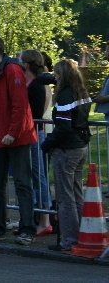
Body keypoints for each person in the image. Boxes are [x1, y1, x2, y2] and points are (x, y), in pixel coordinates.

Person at [0, 35, 36, 246]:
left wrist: (12, 131)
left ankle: (27, 228)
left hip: (15, 136)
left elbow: (20, 105)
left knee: (22, 183)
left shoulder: (12, 70)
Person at [41, 59, 92, 252]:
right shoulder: (82, 91)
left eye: (57, 74)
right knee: (77, 193)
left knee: (65, 197)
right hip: (80, 146)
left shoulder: (65, 96)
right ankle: (83, 234)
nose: (55, 78)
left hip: (66, 149)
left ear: (62, 76)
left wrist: (47, 143)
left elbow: (63, 127)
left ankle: (69, 240)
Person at [19, 49, 53, 236]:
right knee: (33, 176)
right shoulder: (31, 82)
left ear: (27, 64)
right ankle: (36, 217)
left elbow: (37, 112)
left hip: (36, 133)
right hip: (30, 132)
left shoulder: (37, 84)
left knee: (39, 176)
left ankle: (45, 219)